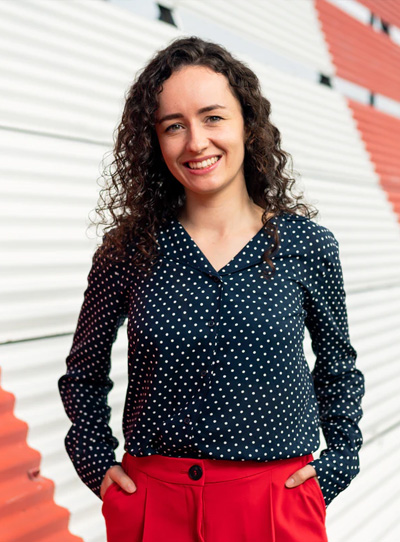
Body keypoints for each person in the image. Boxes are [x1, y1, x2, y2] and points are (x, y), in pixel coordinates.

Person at [58, 36, 365, 542]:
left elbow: (337, 367)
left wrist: (339, 461)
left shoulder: (306, 245)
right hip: (154, 502)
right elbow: (83, 373)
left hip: (273, 503)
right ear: (155, 141)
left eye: (213, 117)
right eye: (173, 126)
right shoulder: (128, 251)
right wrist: (95, 463)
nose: (196, 142)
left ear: (247, 123)